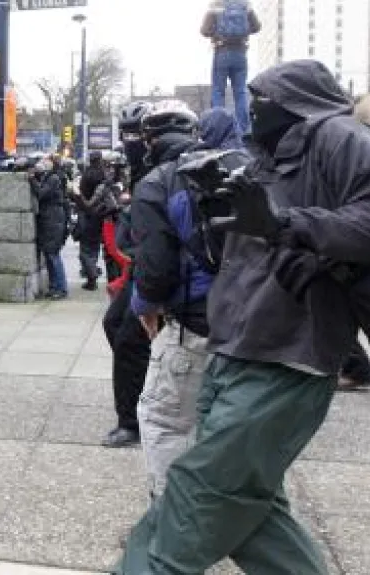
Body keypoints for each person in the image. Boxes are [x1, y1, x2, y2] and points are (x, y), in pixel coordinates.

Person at [116, 59, 370, 575]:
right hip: (236, 345)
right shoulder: (264, 153)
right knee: (250, 503)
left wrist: (284, 223)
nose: (252, 108)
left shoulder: (340, 136)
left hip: (288, 351)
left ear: (296, 101)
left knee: (201, 491)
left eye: (262, 98)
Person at [128, 99, 250, 497]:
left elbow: (156, 269)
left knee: (165, 422)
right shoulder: (242, 167)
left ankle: (171, 517)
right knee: (232, 432)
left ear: (149, 140)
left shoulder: (158, 183)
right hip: (258, 325)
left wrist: (144, 307)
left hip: (196, 325)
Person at [99, 101, 155, 448]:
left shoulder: (158, 166)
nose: (129, 141)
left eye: (136, 134)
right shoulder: (137, 169)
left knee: (129, 339)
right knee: (113, 325)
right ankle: (142, 395)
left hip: (153, 264)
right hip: (139, 263)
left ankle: (131, 421)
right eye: (126, 134)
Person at [200, 0, 261, 135]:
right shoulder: (245, 5)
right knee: (240, 92)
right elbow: (257, 27)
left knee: (218, 91)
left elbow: (204, 31)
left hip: (221, 51)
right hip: (240, 52)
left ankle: (217, 128)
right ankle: (243, 130)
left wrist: (217, 33)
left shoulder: (216, 4)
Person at [31, 157, 69, 299]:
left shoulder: (53, 179)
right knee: (49, 256)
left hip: (53, 222)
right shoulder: (49, 178)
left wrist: (32, 179)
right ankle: (54, 287)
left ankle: (61, 288)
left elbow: (41, 193)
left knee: (53, 255)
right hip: (50, 221)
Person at [72, 150, 107, 291]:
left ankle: (92, 276)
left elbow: (80, 195)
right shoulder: (104, 174)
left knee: (85, 250)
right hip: (100, 215)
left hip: (86, 215)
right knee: (94, 247)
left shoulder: (86, 175)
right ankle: (92, 274)